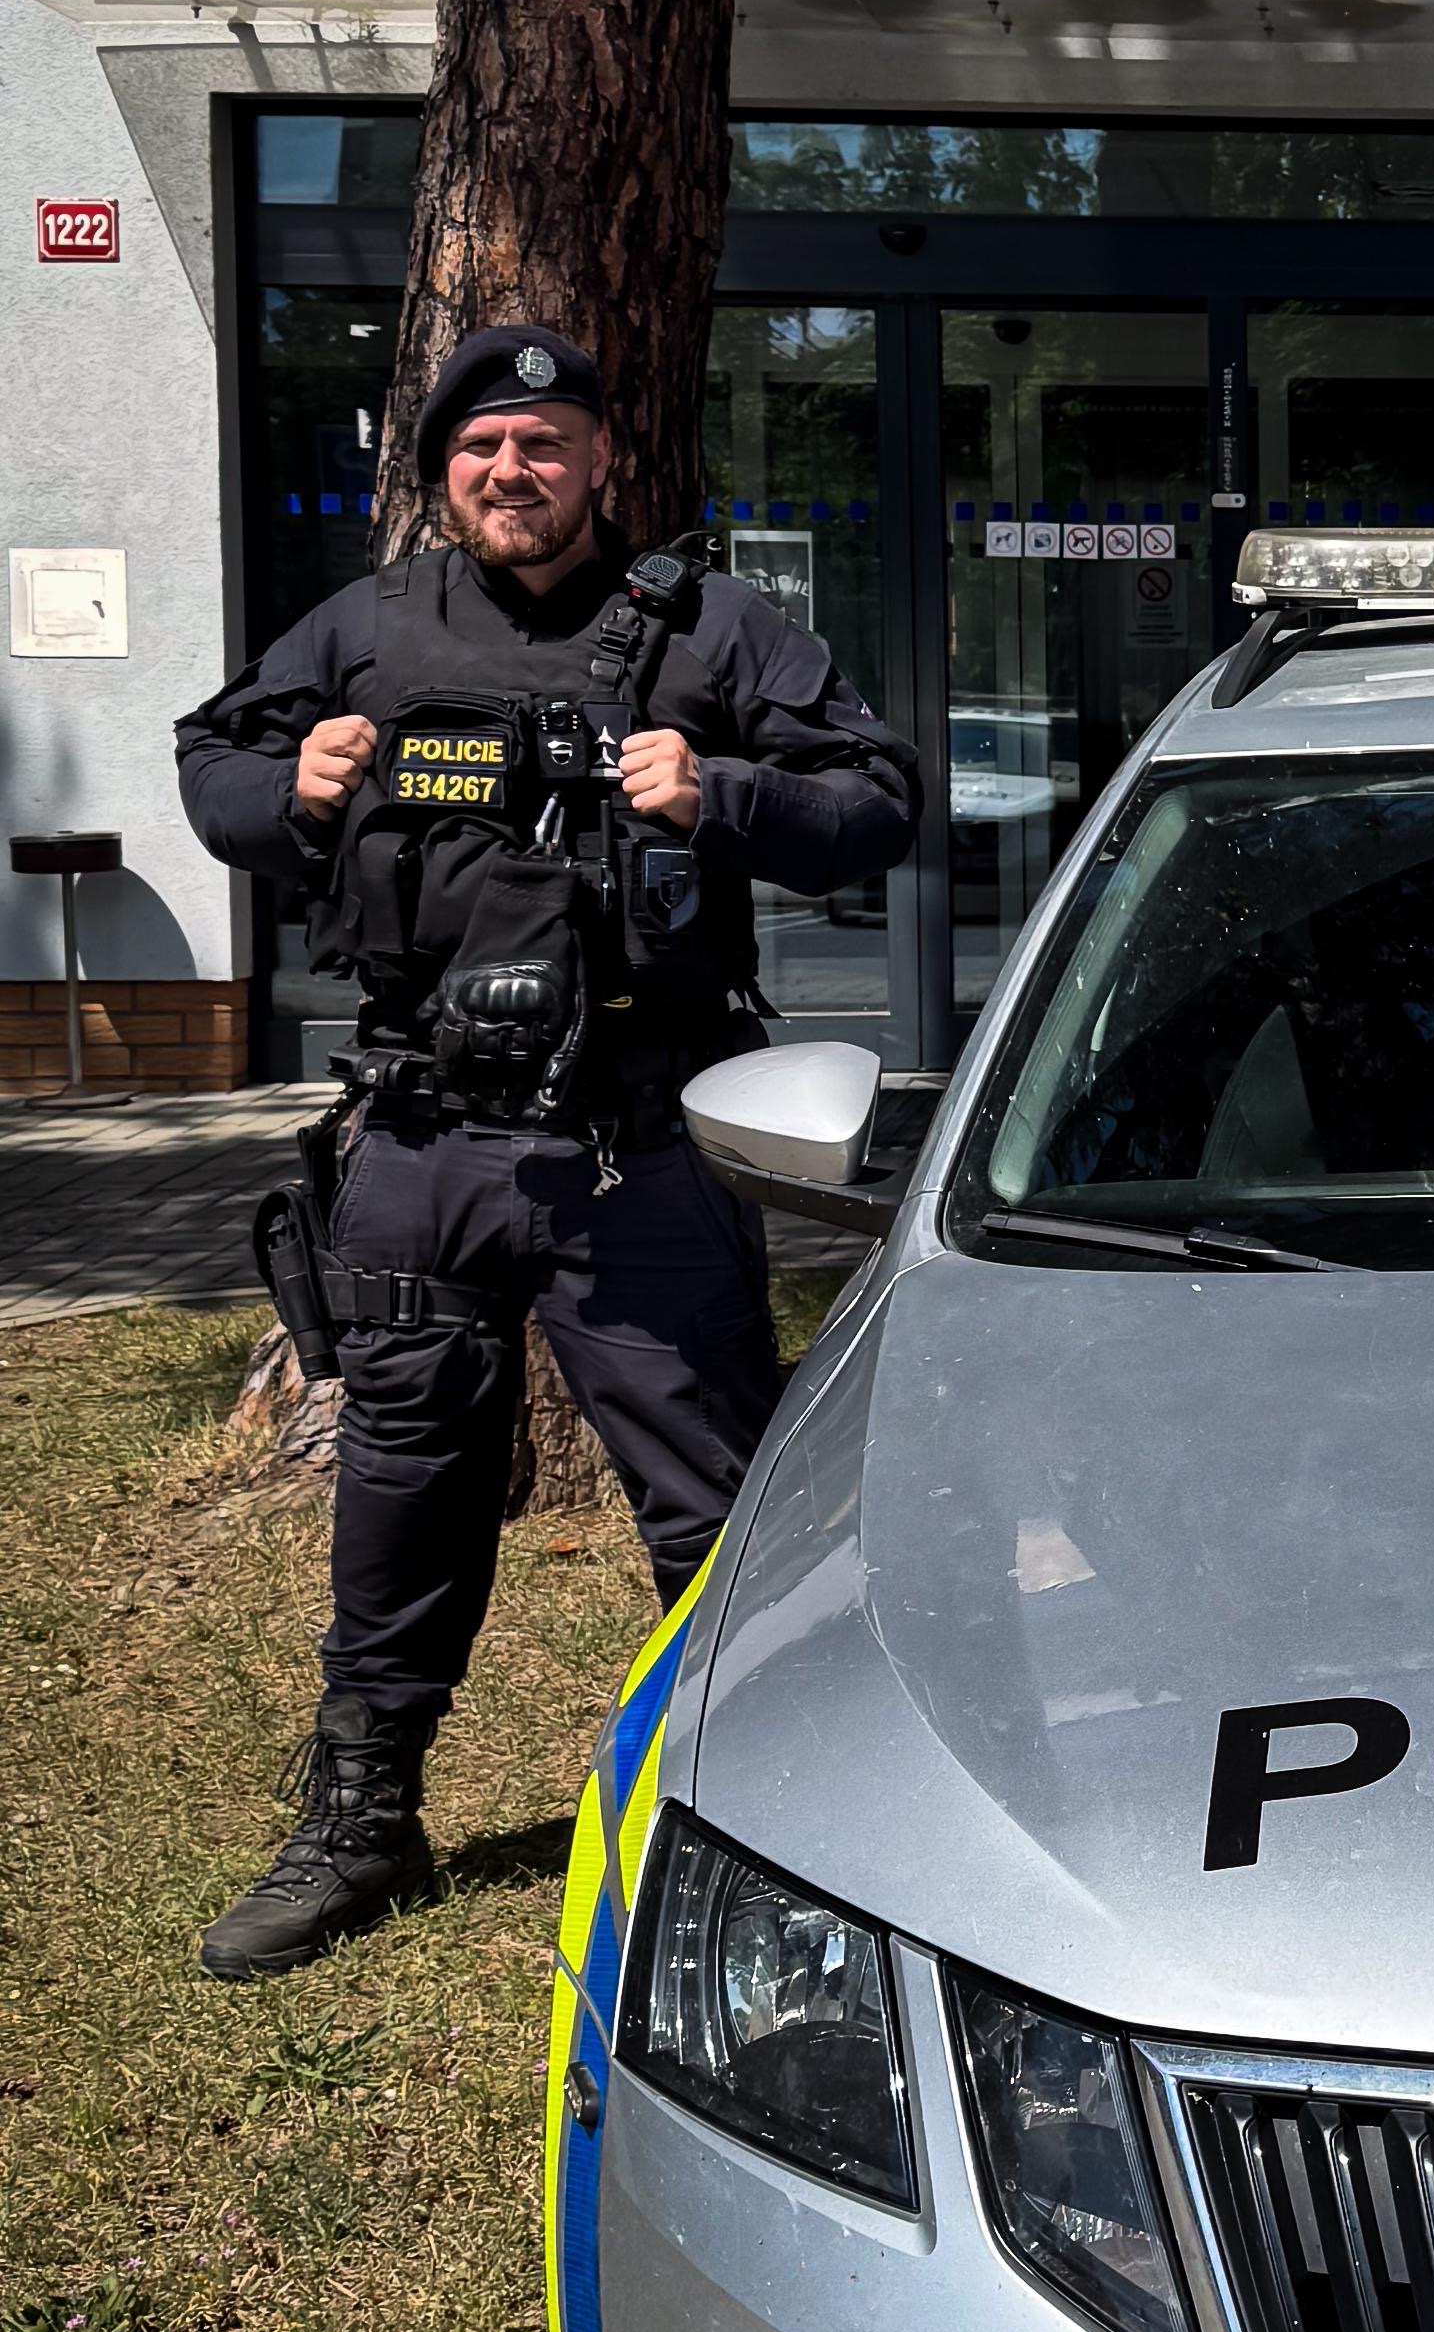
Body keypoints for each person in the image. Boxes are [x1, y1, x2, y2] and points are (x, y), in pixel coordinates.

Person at [176, 326, 920, 1976]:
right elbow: (210, 757)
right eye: (480, 447)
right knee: (402, 1481)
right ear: (442, 469)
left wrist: (721, 791)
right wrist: (290, 792)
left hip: (637, 1144)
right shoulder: (366, 627)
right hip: (423, 1136)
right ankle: (361, 1817)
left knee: (714, 1509)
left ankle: (773, 1819)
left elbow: (879, 795)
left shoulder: (709, 624)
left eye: (543, 441)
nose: (510, 469)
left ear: (599, 460)